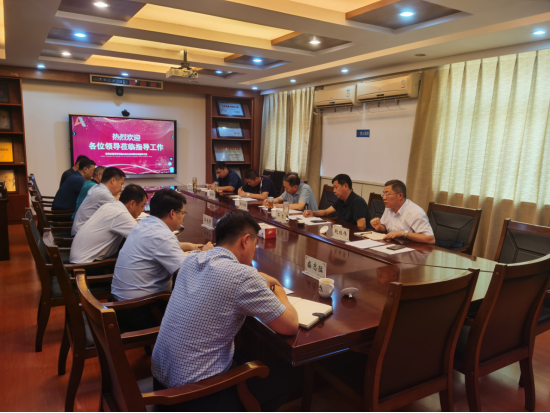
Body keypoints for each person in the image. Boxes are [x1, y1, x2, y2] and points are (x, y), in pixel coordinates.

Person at [151, 209, 300, 411]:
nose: (254, 252)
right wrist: (279, 290)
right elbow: (290, 325)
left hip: (162, 386)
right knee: (290, 375)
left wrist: (255, 276)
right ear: (245, 240)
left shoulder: (192, 259)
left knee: (248, 353)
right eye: (255, 245)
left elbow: (224, 277)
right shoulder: (242, 277)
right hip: (195, 397)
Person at [111, 188, 214, 302]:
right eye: (182, 213)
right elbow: (189, 273)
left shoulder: (144, 223)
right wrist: (205, 253)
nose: (182, 217)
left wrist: (191, 246)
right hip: (140, 305)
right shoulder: (163, 236)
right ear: (172, 213)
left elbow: (159, 247)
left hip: (121, 298)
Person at [69, 184, 148, 264]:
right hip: (86, 265)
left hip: (79, 260)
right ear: (132, 203)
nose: (143, 210)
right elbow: (143, 238)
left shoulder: (110, 206)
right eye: (142, 205)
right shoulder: (120, 213)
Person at [370, 179, 435, 244]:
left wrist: (403, 233)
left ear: (400, 196)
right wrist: (379, 227)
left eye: (387, 194)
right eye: (383, 194)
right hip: (393, 244)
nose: (384, 198)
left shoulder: (416, 212)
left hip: (410, 247)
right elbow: (385, 228)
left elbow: (430, 239)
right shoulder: (389, 207)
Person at [304, 174, 372, 230]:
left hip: (355, 237)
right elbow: (326, 212)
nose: (334, 190)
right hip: (343, 234)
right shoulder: (341, 200)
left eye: (336, 187)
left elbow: (361, 228)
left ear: (345, 186)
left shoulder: (357, 202)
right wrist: (313, 213)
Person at [71, 167, 125, 236]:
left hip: (83, 230)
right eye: (121, 184)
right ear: (113, 181)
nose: (121, 188)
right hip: (82, 234)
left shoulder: (97, 188)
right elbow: (122, 213)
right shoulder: (102, 193)